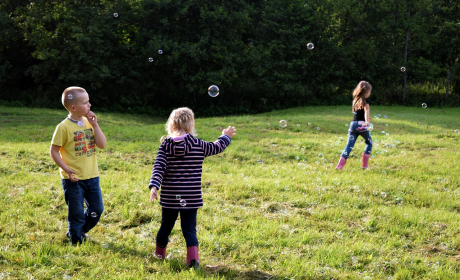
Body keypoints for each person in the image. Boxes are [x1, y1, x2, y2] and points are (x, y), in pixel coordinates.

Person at [149, 107, 236, 269]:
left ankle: (159, 254)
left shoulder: (166, 146)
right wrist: (226, 136)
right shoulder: (198, 145)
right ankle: (193, 261)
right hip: (191, 197)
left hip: (170, 196)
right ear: (190, 126)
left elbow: (158, 167)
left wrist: (154, 185)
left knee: (165, 226)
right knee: (189, 229)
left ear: (171, 125)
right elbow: (216, 147)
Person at [50, 86, 107, 245]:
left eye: (89, 102)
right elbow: (54, 151)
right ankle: (75, 242)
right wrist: (66, 169)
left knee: (97, 210)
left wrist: (95, 125)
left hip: (92, 176)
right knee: (76, 213)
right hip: (73, 178)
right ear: (74, 107)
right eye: (85, 102)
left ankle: (80, 230)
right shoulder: (63, 127)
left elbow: (102, 145)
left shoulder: (90, 123)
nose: (89, 105)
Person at [336, 81, 373, 170]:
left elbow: (356, 112)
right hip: (362, 126)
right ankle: (364, 165)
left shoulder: (355, 100)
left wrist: (366, 118)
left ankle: (339, 165)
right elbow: (366, 110)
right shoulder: (366, 100)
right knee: (369, 143)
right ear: (367, 91)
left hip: (353, 125)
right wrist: (367, 121)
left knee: (349, 145)